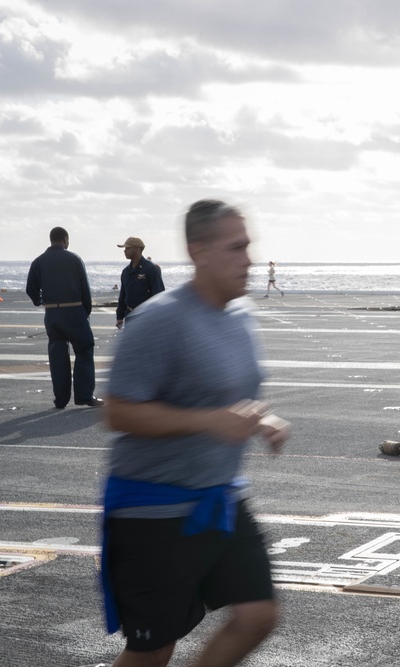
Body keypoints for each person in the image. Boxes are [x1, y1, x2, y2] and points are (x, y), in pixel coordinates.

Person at [100, 199, 291, 667]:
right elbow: (119, 412)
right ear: (198, 251)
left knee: (258, 616)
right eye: (236, 247)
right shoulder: (158, 319)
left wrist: (258, 418)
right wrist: (208, 422)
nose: (247, 258)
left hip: (219, 499)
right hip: (154, 511)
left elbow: (223, 392)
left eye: (248, 246)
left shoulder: (241, 315)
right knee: (152, 650)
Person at [25, 226, 103, 409]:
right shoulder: (74, 259)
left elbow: (30, 289)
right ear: (65, 240)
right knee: (84, 349)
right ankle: (84, 395)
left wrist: (41, 301)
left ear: (51, 240)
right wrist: (86, 311)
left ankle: (61, 399)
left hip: (52, 313)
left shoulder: (38, 262)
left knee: (57, 356)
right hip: (74, 311)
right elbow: (85, 288)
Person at [115, 237, 165, 329]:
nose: (124, 251)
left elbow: (159, 294)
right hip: (130, 316)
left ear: (137, 249)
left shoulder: (151, 269)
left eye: (128, 248)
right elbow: (123, 295)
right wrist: (119, 317)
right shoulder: (126, 271)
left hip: (146, 318)